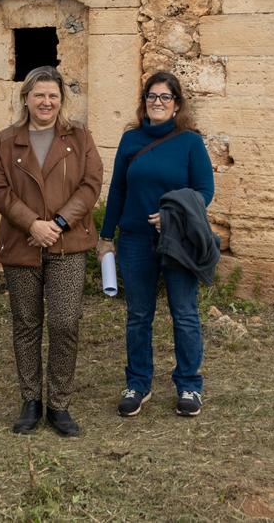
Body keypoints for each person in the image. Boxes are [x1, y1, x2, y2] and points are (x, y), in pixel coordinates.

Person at [0, 66, 103, 438]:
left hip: (67, 242)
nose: (46, 102)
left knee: (65, 322)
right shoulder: (7, 140)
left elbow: (90, 184)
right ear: (26, 99)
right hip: (23, 243)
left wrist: (58, 223)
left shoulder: (79, 137)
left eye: (53, 96)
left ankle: (59, 403)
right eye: (39, 95)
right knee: (26, 323)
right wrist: (33, 224)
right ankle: (31, 400)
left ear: (61, 101)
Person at [98, 71, 215, 419]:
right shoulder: (131, 140)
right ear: (144, 101)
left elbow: (204, 191)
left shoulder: (190, 143)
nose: (157, 102)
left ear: (177, 105)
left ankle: (189, 386)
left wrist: (172, 216)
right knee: (138, 315)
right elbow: (118, 190)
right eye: (152, 96)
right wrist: (106, 237)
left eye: (165, 97)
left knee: (184, 313)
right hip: (134, 238)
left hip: (178, 239)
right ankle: (138, 384)